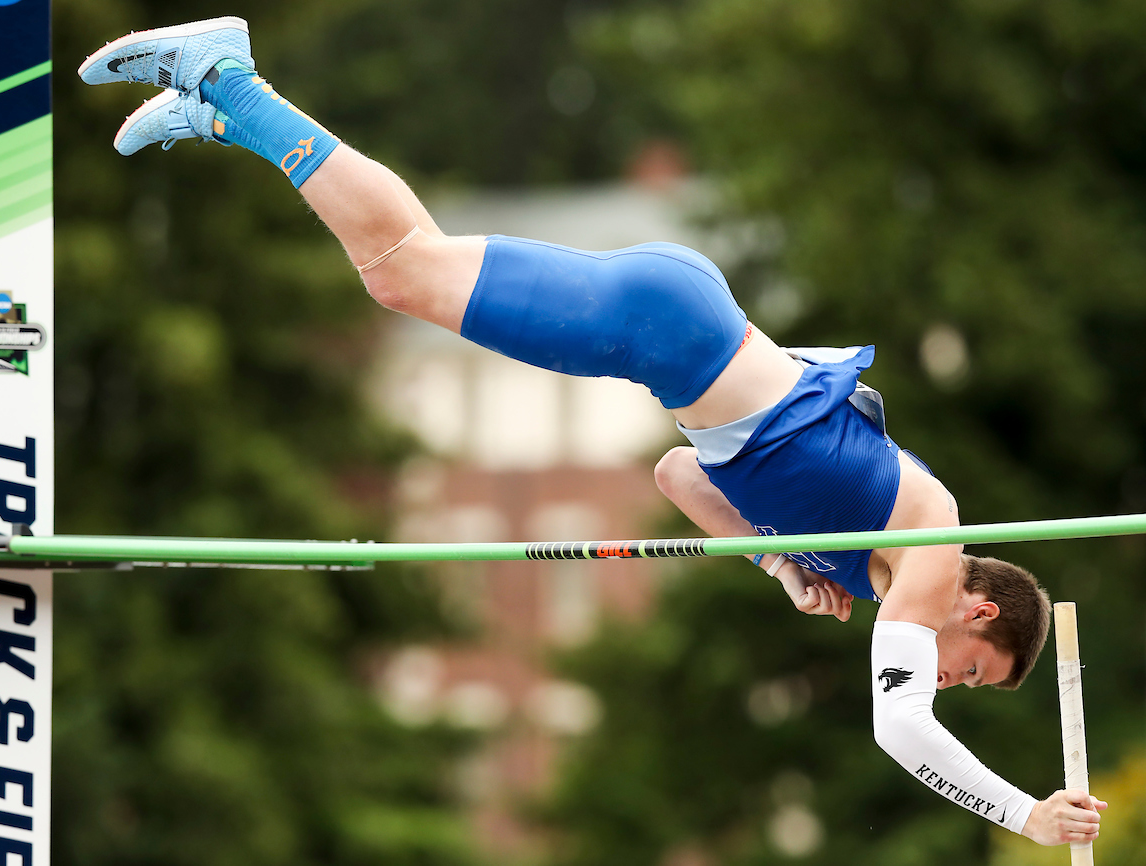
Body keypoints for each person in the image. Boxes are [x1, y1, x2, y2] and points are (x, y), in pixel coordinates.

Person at [79, 17, 1106, 846]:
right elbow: (899, 725)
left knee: (409, 268)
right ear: (978, 610)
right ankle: (232, 78)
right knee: (404, 270)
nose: (945, 676)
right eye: (970, 669)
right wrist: (1028, 811)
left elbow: (679, 475)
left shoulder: (869, 549)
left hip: (681, 324)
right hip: (673, 332)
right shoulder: (931, 551)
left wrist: (783, 566)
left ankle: (224, 116)